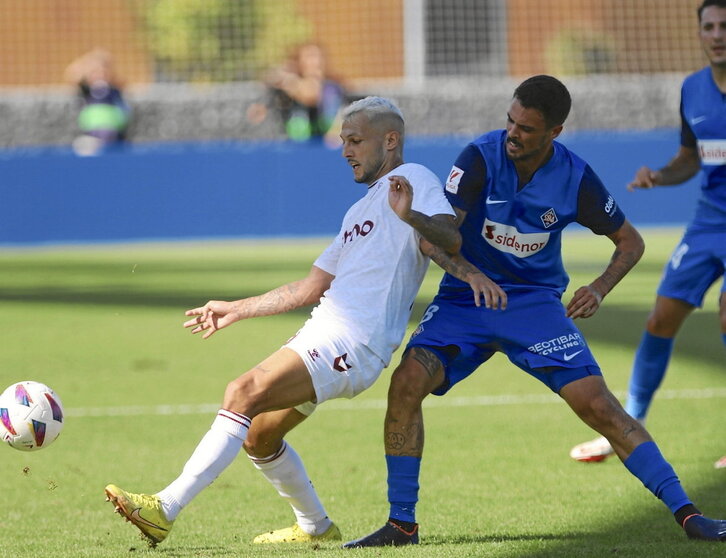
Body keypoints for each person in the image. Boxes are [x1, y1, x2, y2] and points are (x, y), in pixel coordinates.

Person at [341, 75, 726, 547]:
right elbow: (438, 239)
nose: (512, 133)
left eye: (526, 128)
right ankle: (401, 524)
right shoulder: (479, 158)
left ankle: (688, 515)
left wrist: (601, 288)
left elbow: (631, 242)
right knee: (406, 383)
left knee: (599, 406)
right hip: (467, 299)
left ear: (554, 132)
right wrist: (464, 268)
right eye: (510, 120)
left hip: (534, 305)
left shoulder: (576, 177)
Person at [103, 96, 476, 547]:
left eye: (355, 140)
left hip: (354, 343)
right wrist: (237, 308)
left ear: (391, 140)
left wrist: (411, 215)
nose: (345, 151)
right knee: (258, 437)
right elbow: (309, 289)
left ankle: (165, 508)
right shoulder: (357, 213)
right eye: (343, 141)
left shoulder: (413, 178)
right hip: (322, 332)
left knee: (242, 391)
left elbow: (449, 235)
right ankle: (316, 527)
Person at [569, 0, 726, 468]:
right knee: (660, 319)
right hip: (708, 221)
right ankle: (628, 428)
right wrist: (660, 175)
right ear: (700, 33)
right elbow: (692, 157)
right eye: (710, 26)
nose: (718, 34)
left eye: (725, 26)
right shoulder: (692, 90)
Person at [247, 43, 348, 146]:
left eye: (317, 57)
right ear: (299, 62)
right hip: (297, 146)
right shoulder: (287, 88)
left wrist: (293, 84)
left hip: (328, 145)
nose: (314, 62)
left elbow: (311, 96)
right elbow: (269, 78)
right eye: (309, 57)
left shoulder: (332, 88)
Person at [64, 48, 131, 156]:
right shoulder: (87, 90)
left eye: (103, 72)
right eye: (95, 72)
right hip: (93, 130)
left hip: (112, 130)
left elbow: (123, 85)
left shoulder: (113, 90)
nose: (100, 75)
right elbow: (72, 76)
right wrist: (87, 62)